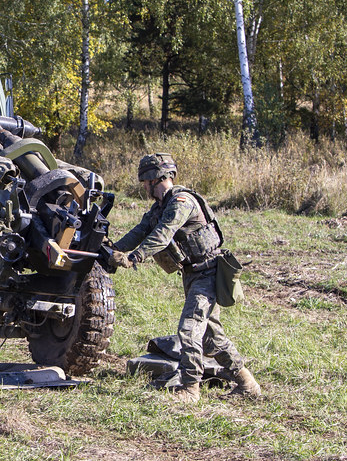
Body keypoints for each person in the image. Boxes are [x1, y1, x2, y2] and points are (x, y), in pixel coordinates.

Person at [110, 153, 261, 404]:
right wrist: (112, 249)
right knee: (212, 337)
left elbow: (162, 235)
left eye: (145, 182)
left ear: (153, 178)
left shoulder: (181, 202)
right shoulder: (159, 207)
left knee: (189, 330)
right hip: (193, 274)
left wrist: (134, 258)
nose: (144, 188)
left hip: (209, 273)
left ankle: (190, 389)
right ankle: (248, 384)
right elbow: (140, 231)